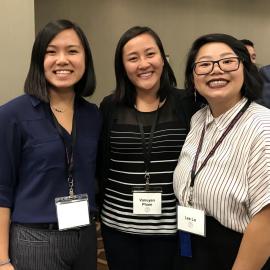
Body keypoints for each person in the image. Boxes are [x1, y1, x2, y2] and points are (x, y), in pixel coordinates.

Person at [0, 19, 101, 270]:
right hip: (36, 240)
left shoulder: (94, 115)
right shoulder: (12, 115)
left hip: (86, 237)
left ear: (85, 59)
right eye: (51, 52)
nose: (62, 60)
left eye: (72, 51)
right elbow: (1, 191)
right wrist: (2, 259)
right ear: (39, 61)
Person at [98, 26, 197, 270]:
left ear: (163, 59)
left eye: (150, 54)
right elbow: (101, 163)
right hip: (117, 227)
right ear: (123, 67)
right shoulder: (110, 106)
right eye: (133, 58)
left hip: (172, 230)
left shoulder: (188, 103)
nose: (143, 64)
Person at [173, 33, 270, 270]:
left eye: (228, 61)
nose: (216, 70)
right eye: (204, 64)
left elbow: (267, 219)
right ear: (193, 77)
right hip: (192, 243)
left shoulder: (263, 126)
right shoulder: (198, 119)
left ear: (245, 69)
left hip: (237, 254)